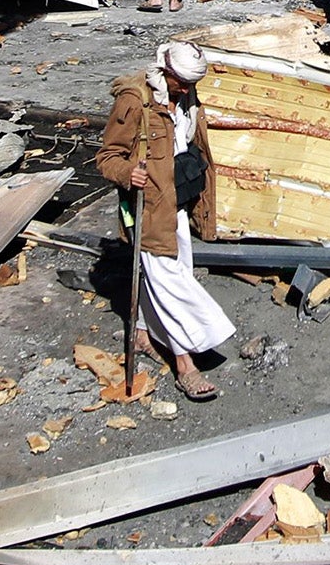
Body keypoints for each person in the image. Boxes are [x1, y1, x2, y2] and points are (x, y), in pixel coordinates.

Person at [95, 41, 234, 401]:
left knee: (170, 274)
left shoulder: (187, 95)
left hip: (179, 203)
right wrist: (128, 173)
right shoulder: (134, 101)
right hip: (149, 208)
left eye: (191, 84)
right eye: (181, 83)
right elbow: (106, 157)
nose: (186, 90)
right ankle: (186, 366)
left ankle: (142, 332)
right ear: (165, 71)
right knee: (171, 283)